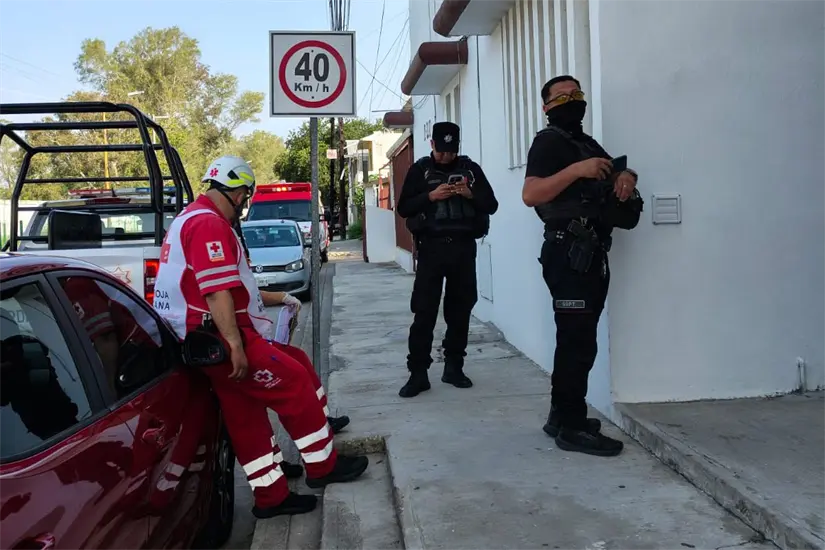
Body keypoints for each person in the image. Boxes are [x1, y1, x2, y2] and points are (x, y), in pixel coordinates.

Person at [152, 155, 368, 518]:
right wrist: (236, 345)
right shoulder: (209, 225)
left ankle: (271, 495)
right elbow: (216, 291)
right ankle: (323, 466)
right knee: (296, 381)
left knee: (246, 418)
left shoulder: (187, 219)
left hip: (202, 343)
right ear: (238, 194)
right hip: (222, 338)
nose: (243, 204)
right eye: (245, 196)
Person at [522, 75, 642, 457]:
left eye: (577, 93)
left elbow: (609, 174)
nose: (572, 100)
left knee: (576, 339)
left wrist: (626, 176)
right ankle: (572, 428)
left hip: (589, 252)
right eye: (562, 96)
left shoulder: (585, 143)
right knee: (577, 343)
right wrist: (577, 171)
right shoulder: (549, 141)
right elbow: (531, 194)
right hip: (568, 251)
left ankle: (561, 416)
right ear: (547, 107)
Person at [396, 122, 499, 398]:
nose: (446, 156)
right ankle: (418, 373)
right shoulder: (420, 171)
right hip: (432, 249)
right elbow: (404, 207)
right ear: (432, 145)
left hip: (464, 248)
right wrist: (431, 196)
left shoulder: (470, 170)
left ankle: (454, 367)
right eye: (441, 151)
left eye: (451, 151)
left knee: (460, 310)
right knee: (424, 311)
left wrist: (469, 194)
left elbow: (491, 204)